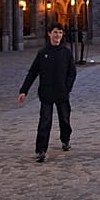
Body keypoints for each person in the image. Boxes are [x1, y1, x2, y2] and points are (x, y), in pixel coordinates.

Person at [18, 22, 77, 163]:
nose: (58, 35)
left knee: (64, 119)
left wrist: (67, 88)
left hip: (62, 93)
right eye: (55, 32)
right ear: (49, 34)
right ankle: (41, 150)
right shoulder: (43, 53)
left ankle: (65, 140)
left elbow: (72, 73)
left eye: (60, 33)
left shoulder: (66, 53)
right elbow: (33, 72)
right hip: (46, 93)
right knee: (45, 121)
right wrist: (23, 90)